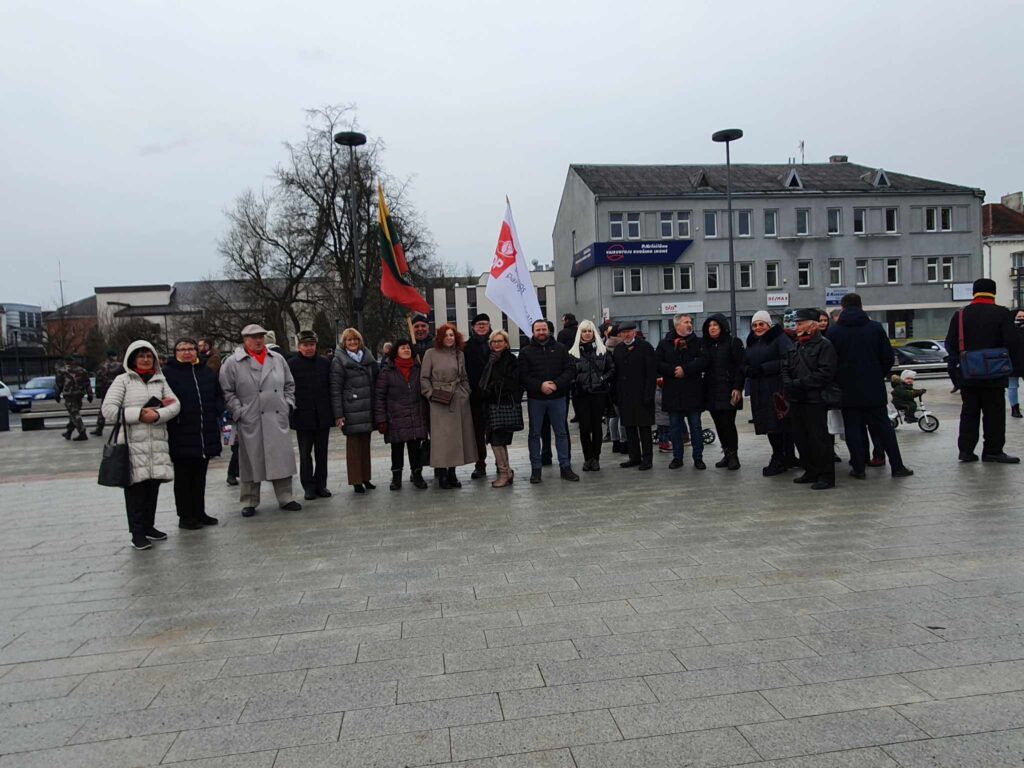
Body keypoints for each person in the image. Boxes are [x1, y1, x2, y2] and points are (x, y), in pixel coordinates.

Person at [101, 340, 181, 550]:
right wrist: (138, 414)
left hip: (156, 442)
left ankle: (149, 526)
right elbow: (109, 410)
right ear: (132, 359)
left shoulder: (160, 380)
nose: (145, 359)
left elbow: (175, 404)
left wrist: (156, 414)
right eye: (141, 356)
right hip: (132, 443)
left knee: (152, 486)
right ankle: (137, 532)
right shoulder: (123, 380)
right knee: (135, 490)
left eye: (149, 356)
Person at [827, 293, 913, 480]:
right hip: (873, 388)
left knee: (853, 429)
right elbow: (888, 358)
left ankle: (858, 468)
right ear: (861, 306)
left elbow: (830, 362)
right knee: (884, 428)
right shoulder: (875, 328)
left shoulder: (834, 332)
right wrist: (876, 374)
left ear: (842, 308)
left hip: (847, 391)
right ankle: (897, 467)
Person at [220, 324, 302, 517]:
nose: (258, 340)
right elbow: (227, 391)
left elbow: (290, 384)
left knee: (280, 457)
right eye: (253, 337)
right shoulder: (233, 363)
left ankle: (285, 497)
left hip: (276, 416)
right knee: (250, 460)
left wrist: (287, 404)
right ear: (245, 340)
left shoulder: (277, 359)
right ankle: (249, 500)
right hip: (251, 418)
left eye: (260, 336)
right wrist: (239, 411)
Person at [945, 278, 1021, 463]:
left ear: (974, 292)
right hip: (995, 374)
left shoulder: (961, 314)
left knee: (969, 413)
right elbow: (1011, 342)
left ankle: (966, 451)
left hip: (969, 373)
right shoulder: (1002, 313)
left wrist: (959, 365)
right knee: (994, 414)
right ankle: (993, 451)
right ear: (993, 293)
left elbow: (950, 344)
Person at [162, 337, 223, 529]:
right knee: (183, 477)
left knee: (200, 475)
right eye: (182, 349)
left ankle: (199, 512)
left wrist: (217, 411)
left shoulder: (206, 372)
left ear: (197, 351)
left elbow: (217, 395)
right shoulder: (168, 374)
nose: (187, 352)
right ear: (176, 353)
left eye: (191, 348)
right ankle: (185, 516)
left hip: (204, 432)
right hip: (181, 432)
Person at [782, 308, 838, 490]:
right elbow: (785, 366)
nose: (796, 327)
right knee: (801, 437)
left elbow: (825, 373)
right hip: (797, 400)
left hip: (815, 399)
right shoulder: (796, 345)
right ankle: (810, 470)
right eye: (796, 324)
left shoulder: (824, 345)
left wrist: (798, 383)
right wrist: (788, 382)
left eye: (800, 323)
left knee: (819, 439)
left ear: (812, 326)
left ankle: (826, 475)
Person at [518, 319, 578, 483]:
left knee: (561, 433)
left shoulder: (561, 349)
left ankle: (565, 467)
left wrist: (556, 384)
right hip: (536, 398)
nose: (541, 332)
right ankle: (536, 470)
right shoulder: (525, 352)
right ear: (533, 332)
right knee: (534, 434)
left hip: (558, 397)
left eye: (543, 329)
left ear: (549, 331)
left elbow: (570, 370)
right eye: (538, 330)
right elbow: (523, 375)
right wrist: (540, 386)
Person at [421, 323, 478, 488]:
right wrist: (430, 394)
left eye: (452, 335)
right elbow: (424, 378)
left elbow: (464, 376)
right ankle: (442, 474)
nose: (449, 338)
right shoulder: (430, 354)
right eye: (446, 335)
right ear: (440, 337)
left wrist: (466, 392)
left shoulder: (459, 354)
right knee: (441, 439)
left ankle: (452, 472)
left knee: (457, 438)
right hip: (439, 400)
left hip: (458, 399)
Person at [745, 311, 796, 476]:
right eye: (755, 325)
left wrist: (765, 368)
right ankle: (784, 456)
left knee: (777, 424)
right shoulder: (752, 342)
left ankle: (779, 458)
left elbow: (789, 359)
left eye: (761, 324)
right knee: (770, 424)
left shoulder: (780, 338)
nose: (758, 328)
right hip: (759, 389)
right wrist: (747, 369)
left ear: (769, 325)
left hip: (776, 389)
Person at [375, 338, 429, 490]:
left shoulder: (418, 369)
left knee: (415, 449)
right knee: (396, 449)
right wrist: (381, 419)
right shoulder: (387, 371)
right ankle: (396, 477)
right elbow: (380, 396)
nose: (406, 350)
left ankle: (417, 475)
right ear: (396, 351)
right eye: (402, 348)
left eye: (408, 348)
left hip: (415, 415)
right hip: (395, 417)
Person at [330, 327, 380, 493]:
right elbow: (335, 389)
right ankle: (356, 480)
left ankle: (366, 478)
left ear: (360, 342)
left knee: (365, 446)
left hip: (366, 409)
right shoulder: (339, 361)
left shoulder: (368, 358)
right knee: (353, 448)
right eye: (349, 340)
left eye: (355, 340)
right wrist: (339, 415)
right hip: (350, 409)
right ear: (344, 343)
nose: (352, 343)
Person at [657, 314, 709, 470]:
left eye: (690, 322)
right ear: (677, 325)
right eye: (686, 322)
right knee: (674, 427)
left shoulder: (698, 342)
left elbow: (704, 361)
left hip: (692, 391)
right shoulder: (665, 343)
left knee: (695, 426)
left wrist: (685, 370)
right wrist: (673, 371)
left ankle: (698, 458)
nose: (689, 324)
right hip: (673, 392)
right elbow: (657, 362)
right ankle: (677, 457)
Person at [288, 329, 334, 500]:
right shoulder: (291, 364)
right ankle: (308, 486)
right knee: (305, 453)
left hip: (322, 415)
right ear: (299, 346)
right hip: (302, 416)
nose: (309, 348)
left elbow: (330, 388)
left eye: (312, 345)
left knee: (322, 453)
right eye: (305, 345)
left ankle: (321, 484)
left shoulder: (324, 363)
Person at [569, 319, 615, 472]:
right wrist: (575, 383)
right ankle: (587, 457)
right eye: (584, 331)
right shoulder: (573, 353)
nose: (587, 334)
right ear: (579, 333)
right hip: (581, 395)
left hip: (598, 393)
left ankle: (596, 458)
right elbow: (569, 373)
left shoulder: (602, 351)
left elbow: (611, 369)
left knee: (596, 427)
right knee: (584, 428)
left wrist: (602, 378)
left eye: (589, 331)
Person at [702, 313, 745, 470]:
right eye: (710, 326)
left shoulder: (733, 342)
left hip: (729, 390)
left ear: (722, 326)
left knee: (728, 423)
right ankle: (726, 453)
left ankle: (734, 455)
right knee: (719, 424)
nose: (712, 328)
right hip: (712, 391)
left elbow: (741, 367)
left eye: (715, 325)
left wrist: (738, 387)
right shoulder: (705, 344)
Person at [478, 329, 521, 487]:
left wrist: (491, 389)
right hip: (490, 406)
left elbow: (512, 382)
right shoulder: (490, 360)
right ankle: (507, 472)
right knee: (496, 440)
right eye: (494, 342)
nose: (497, 344)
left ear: (506, 343)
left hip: (502, 405)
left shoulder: (510, 360)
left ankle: (504, 473)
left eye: (500, 341)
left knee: (497, 441)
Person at [612, 321, 658, 470]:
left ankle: (647, 459)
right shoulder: (618, 349)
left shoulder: (645, 347)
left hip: (642, 394)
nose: (626, 335)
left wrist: (649, 394)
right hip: (625, 395)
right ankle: (634, 457)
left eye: (629, 332)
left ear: (634, 332)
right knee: (629, 428)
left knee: (644, 429)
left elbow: (651, 373)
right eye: (623, 333)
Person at [464, 313, 493, 479]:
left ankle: (501, 463)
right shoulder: (466, 347)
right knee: (477, 433)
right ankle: (480, 464)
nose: (482, 327)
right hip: (474, 396)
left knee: (497, 431)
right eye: (479, 324)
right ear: (473, 327)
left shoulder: (498, 343)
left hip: (495, 395)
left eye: (485, 324)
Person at [56, 357, 94, 441]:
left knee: (74, 413)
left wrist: (57, 395)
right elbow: (87, 383)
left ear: (65, 361)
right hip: (79, 394)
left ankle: (82, 432)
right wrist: (90, 394)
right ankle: (69, 432)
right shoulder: (82, 370)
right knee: (74, 412)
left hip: (69, 394)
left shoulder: (62, 370)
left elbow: (59, 384)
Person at [91, 350, 122, 436]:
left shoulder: (102, 366)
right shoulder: (121, 366)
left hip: (106, 390)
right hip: (118, 389)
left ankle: (99, 428)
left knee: (103, 409)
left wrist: (98, 392)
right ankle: (118, 428)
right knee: (119, 408)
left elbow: (98, 379)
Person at [1010, 308, 1024, 419]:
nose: (1021, 319)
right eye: (1019, 317)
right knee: (1012, 387)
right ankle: (1015, 408)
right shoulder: (1010, 330)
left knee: (1012, 387)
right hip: (1013, 363)